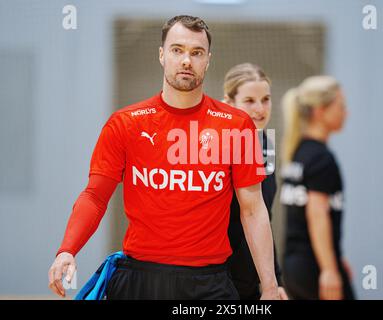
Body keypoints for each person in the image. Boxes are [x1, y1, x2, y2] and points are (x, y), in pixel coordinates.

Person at [48, 15, 280, 300]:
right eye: (177, 50)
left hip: (208, 283)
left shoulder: (236, 125)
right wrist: (67, 249)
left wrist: (269, 286)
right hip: (138, 280)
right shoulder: (125, 123)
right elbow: (95, 196)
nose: (186, 60)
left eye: (196, 53)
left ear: (208, 59)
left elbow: (254, 210)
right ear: (162, 55)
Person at [279, 76, 355, 300]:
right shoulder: (321, 158)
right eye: (341, 106)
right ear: (320, 111)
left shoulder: (299, 152)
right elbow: (317, 215)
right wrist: (329, 270)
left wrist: (334, 258)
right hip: (314, 267)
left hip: (294, 267)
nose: (346, 113)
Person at [223, 63, 288, 300]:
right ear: (229, 103)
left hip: (251, 283)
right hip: (218, 282)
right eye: (249, 100)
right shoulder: (218, 149)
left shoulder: (264, 145)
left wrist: (274, 280)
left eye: (266, 99)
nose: (260, 109)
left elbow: (264, 217)